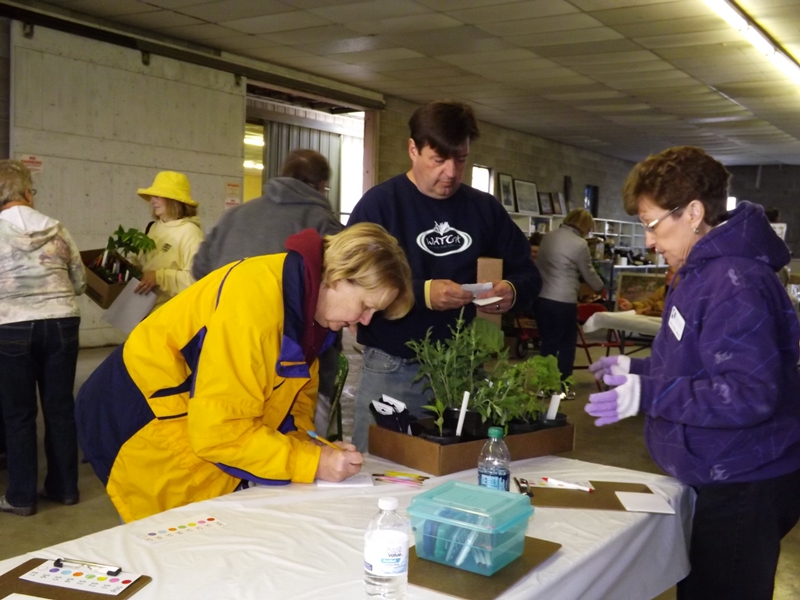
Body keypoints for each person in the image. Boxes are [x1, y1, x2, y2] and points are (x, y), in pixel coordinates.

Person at [75, 223, 413, 522]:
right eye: (366, 306)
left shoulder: (308, 314)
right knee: (169, 541)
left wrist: (316, 450)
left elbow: (292, 407)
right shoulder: (258, 305)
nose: (364, 322)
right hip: (139, 420)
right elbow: (220, 433)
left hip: (190, 420)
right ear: (338, 277)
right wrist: (312, 463)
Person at [585, 146, 800, 600]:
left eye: (652, 224)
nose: (649, 241)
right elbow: (694, 367)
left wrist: (646, 394)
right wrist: (636, 369)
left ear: (694, 213)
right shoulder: (700, 273)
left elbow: (747, 393)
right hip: (714, 473)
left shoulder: (735, 281)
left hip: (743, 481)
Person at [347, 100, 541, 451]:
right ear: (413, 149)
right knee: (379, 466)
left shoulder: (484, 209)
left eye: (461, 159)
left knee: (460, 466)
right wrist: (423, 294)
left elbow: (528, 272)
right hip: (393, 367)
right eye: (439, 160)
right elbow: (353, 284)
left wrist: (512, 290)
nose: (451, 172)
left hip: (465, 369)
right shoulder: (379, 206)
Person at [191, 150, 343, 436]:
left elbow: (200, 269)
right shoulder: (324, 225)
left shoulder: (234, 216)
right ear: (322, 185)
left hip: (224, 361)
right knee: (300, 452)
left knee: (230, 442)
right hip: (297, 375)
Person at [0, 159, 85, 516]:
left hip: (11, 326)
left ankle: (21, 497)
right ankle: (64, 487)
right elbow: (79, 280)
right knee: (60, 407)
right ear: (27, 192)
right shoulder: (57, 227)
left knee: (19, 414)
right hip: (62, 321)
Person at [535, 208, 604, 380]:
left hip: (542, 297)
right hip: (563, 300)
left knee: (548, 343)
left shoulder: (548, 237)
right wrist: (601, 287)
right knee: (567, 344)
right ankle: (563, 383)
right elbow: (588, 273)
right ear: (584, 225)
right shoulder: (580, 244)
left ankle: (544, 383)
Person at [132, 171, 204, 308]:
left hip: (171, 314)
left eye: (157, 196)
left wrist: (159, 277)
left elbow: (196, 281)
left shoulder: (190, 233)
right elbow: (142, 264)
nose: (152, 201)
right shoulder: (152, 227)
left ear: (173, 200)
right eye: (152, 196)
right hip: (143, 312)